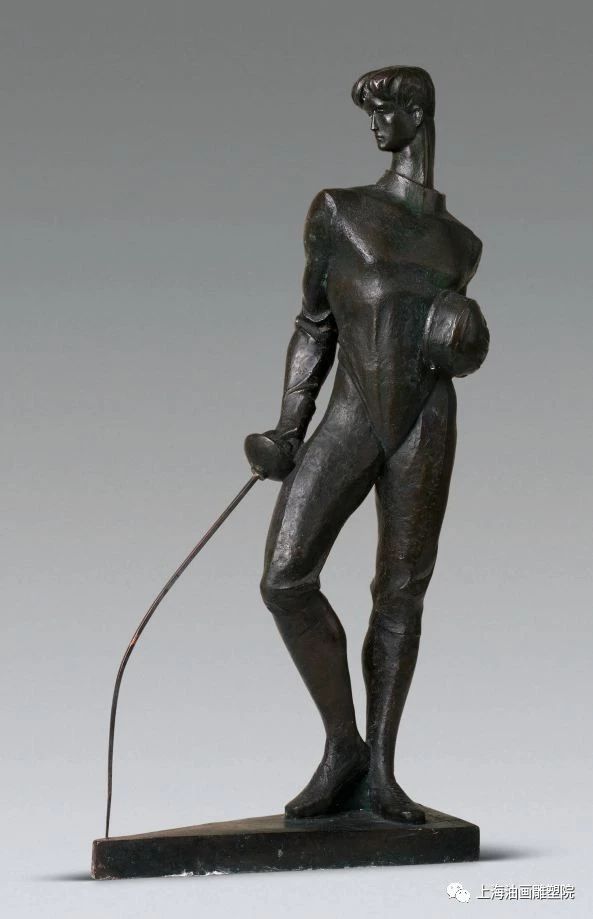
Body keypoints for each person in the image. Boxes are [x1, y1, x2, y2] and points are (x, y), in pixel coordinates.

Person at [245, 66, 489, 824]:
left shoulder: (460, 243)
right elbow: (314, 322)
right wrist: (289, 426)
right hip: (353, 412)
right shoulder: (340, 212)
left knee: (401, 592)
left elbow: (452, 338)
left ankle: (381, 770)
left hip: (426, 421)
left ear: (418, 112)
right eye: (371, 113)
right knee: (285, 578)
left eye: (385, 110)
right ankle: (342, 744)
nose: (376, 125)